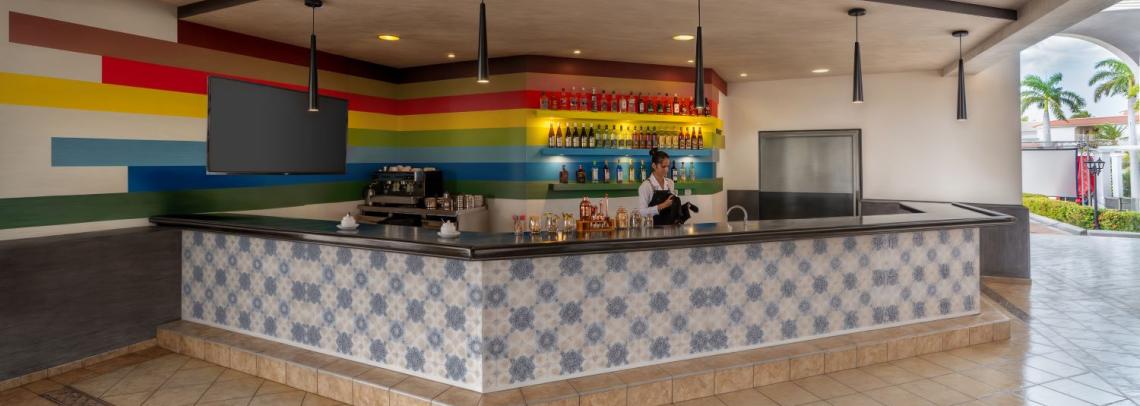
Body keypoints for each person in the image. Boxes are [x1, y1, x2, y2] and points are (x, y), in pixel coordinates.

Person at [638, 148, 679, 225]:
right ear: (654, 165)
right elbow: (642, 212)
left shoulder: (670, 183)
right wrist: (662, 205)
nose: (666, 170)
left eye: (668, 166)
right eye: (663, 166)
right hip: (652, 228)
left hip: (670, 228)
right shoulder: (646, 186)